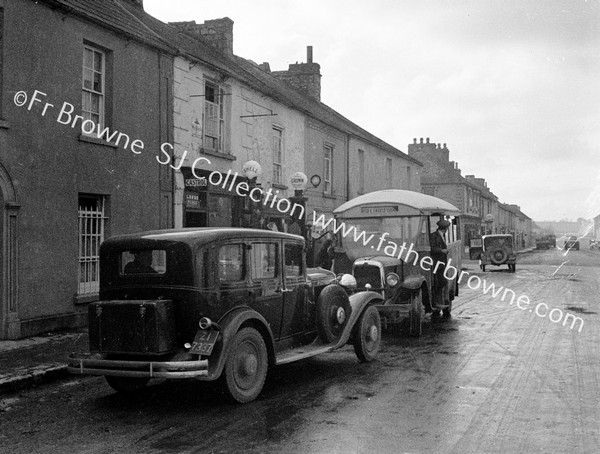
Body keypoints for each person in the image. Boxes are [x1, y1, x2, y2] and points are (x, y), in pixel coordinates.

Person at [429, 219, 450, 315]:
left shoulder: (441, 235)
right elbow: (432, 248)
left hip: (441, 263)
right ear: (445, 228)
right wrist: (442, 251)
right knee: (439, 282)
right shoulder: (434, 236)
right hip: (436, 263)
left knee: (441, 282)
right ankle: (437, 302)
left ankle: (440, 302)